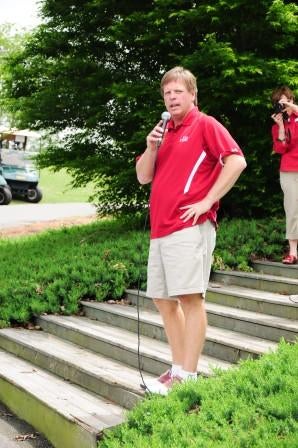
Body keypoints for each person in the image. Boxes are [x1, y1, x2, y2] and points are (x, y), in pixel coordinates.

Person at [136, 66, 246, 395]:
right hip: (161, 229)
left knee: (189, 298)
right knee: (163, 300)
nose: (172, 97)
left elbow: (236, 160)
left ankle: (190, 374)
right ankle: (177, 368)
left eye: (178, 91)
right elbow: (143, 176)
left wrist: (208, 200)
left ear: (193, 94)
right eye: (167, 93)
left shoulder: (205, 124)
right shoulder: (163, 132)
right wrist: (151, 146)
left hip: (189, 227)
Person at [271, 86, 298, 264]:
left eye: (285, 101)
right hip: (289, 170)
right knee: (292, 209)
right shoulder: (277, 126)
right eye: (279, 103)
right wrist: (281, 126)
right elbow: (281, 148)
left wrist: (291, 107)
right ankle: (293, 252)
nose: (283, 105)